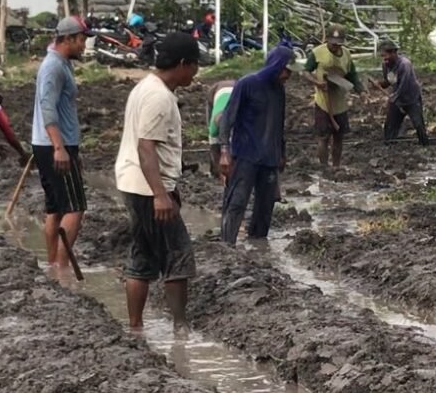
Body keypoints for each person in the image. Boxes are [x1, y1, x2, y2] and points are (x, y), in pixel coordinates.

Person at [115, 32, 200, 331]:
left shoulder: (146, 87)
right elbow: (146, 146)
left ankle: (136, 327)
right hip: (148, 188)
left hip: (135, 184)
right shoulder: (159, 96)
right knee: (177, 254)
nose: (195, 73)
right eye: (194, 66)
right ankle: (181, 329)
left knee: (143, 253)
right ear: (181, 64)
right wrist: (161, 194)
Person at [218, 46, 298, 245]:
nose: (288, 75)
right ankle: (228, 243)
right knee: (237, 201)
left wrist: (282, 152)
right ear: (276, 65)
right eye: (286, 70)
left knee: (266, 205)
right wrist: (224, 150)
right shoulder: (247, 84)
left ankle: (258, 242)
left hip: (270, 155)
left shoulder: (279, 90)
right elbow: (228, 117)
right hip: (246, 154)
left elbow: (279, 122)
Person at [32, 16, 93, 270]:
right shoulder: (53, 67)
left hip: (54, 144)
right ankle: (62, 269)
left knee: (55, 208)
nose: (84, 46)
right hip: (55, 145)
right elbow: (47, 107)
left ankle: (53, 264)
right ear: (67, 39)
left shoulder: (62, 63)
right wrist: (60, 148)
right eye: (81, 40)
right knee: (75, 208)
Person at [303, 24, 363, 171]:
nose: (335, 46)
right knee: (323, 137)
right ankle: (324, 167)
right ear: (327, 40)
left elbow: (352, 75)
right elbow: (305, 72)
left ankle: (336, 166)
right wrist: (317, 83)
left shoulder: (347, 54)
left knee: (338, 137)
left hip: (340, 102)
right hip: (324, 102)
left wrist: (361, 90)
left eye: (338, 44)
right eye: (333, 43)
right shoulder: (318, 53)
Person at [371, 40, 428, 146]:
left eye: (386, 55)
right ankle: (390, 145)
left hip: (411, 99)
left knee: (418, 124)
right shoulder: (386, 65)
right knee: (390, 126)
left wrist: (394, 97)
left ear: (393, 53)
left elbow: (404, 85)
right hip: (396, 98)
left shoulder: (405, 64)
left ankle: (424, 144)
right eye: (382, 56)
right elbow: (389, 81)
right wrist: (380, 84)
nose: (384, 59)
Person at [207, 79, 235, 180]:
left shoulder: (241, 121)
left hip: (235, 88)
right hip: (215, 91)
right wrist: (221, 172)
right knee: (217, 144)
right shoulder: (214, 128)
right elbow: (213, 146)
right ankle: (214, 171)